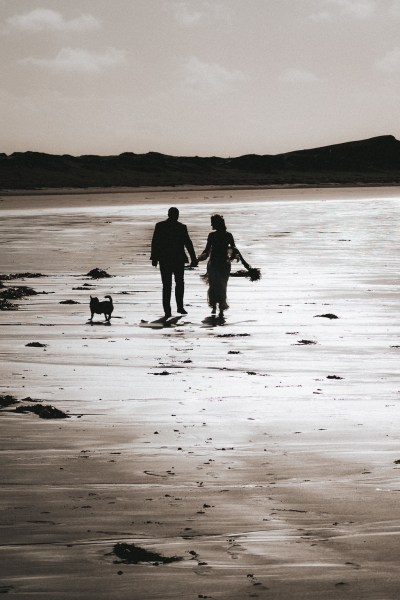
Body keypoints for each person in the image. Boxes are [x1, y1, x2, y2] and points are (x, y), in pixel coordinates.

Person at [151, 207, 198, 318]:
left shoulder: (160, 226)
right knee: (179, 283)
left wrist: (154, 258)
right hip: (177, 259)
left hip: (165, 259)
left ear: (168, 214)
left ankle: (168, 310)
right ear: (177, 215)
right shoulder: (181, 227)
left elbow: (155, 243)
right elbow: (188, 243)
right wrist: (193, 258)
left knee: (167, 285)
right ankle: (180, 307)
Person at [198, 214, 239, 318]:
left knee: (216, 285)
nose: (211, 224)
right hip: (223, 264)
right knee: (221, 285)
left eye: (212, 222)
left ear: (216, 224)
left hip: (216, 264)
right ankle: (217, 307)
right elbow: (233, 249)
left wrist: (200, 257)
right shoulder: (227, 235)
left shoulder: (213, 236)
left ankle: (218, 307)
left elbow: (207, 251)